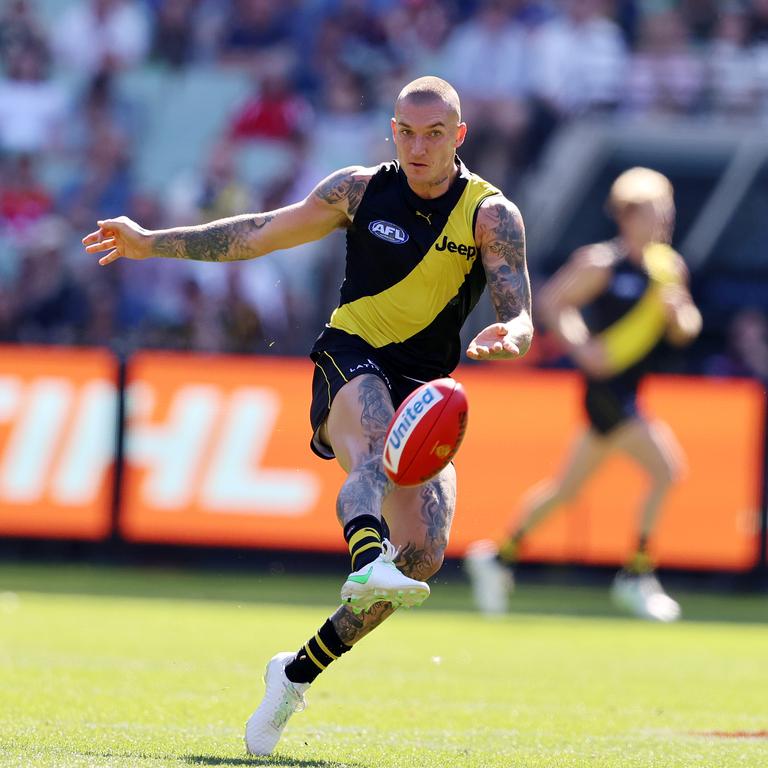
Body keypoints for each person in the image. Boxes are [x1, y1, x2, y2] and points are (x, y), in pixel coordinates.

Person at [83, 76, 533, 756]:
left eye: (435, 134)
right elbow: (260, 233)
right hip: (350, 357)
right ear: (392, 130)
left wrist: (515, 334)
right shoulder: (357, 189)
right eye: (407, 132)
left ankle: (294, 673)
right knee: (376, 442)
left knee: (426, 552)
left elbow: (517, 304)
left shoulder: (490, 214)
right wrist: (153, 242)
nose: (418, 146)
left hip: (427, 387)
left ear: (459, 136)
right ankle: (365, 555)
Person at [465, 167, 702, 622]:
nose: (665, 220)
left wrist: (680, 317)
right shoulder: (602, 263)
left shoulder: (668, 268)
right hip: (606, 390)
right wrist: (583, 348)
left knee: (566, 490)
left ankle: (498, 556)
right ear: (629, 215)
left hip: (629, 388)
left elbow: (688, 329)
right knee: (667, 470)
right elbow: (553, 304)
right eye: (656, 210)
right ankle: (636, 573)